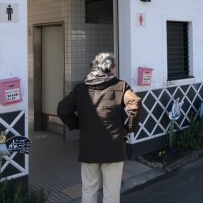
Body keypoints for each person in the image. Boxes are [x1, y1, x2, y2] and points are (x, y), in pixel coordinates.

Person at [57, 52, 142, 203]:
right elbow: (135, 106)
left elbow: (63, 109)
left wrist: (77, 124)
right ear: (111, 68)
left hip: (89, 147)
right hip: (114, 148)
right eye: (115, 66)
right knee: (111, 191)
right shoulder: (121, 86)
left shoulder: (81, 88)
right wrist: (128, 129)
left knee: (89, 188)